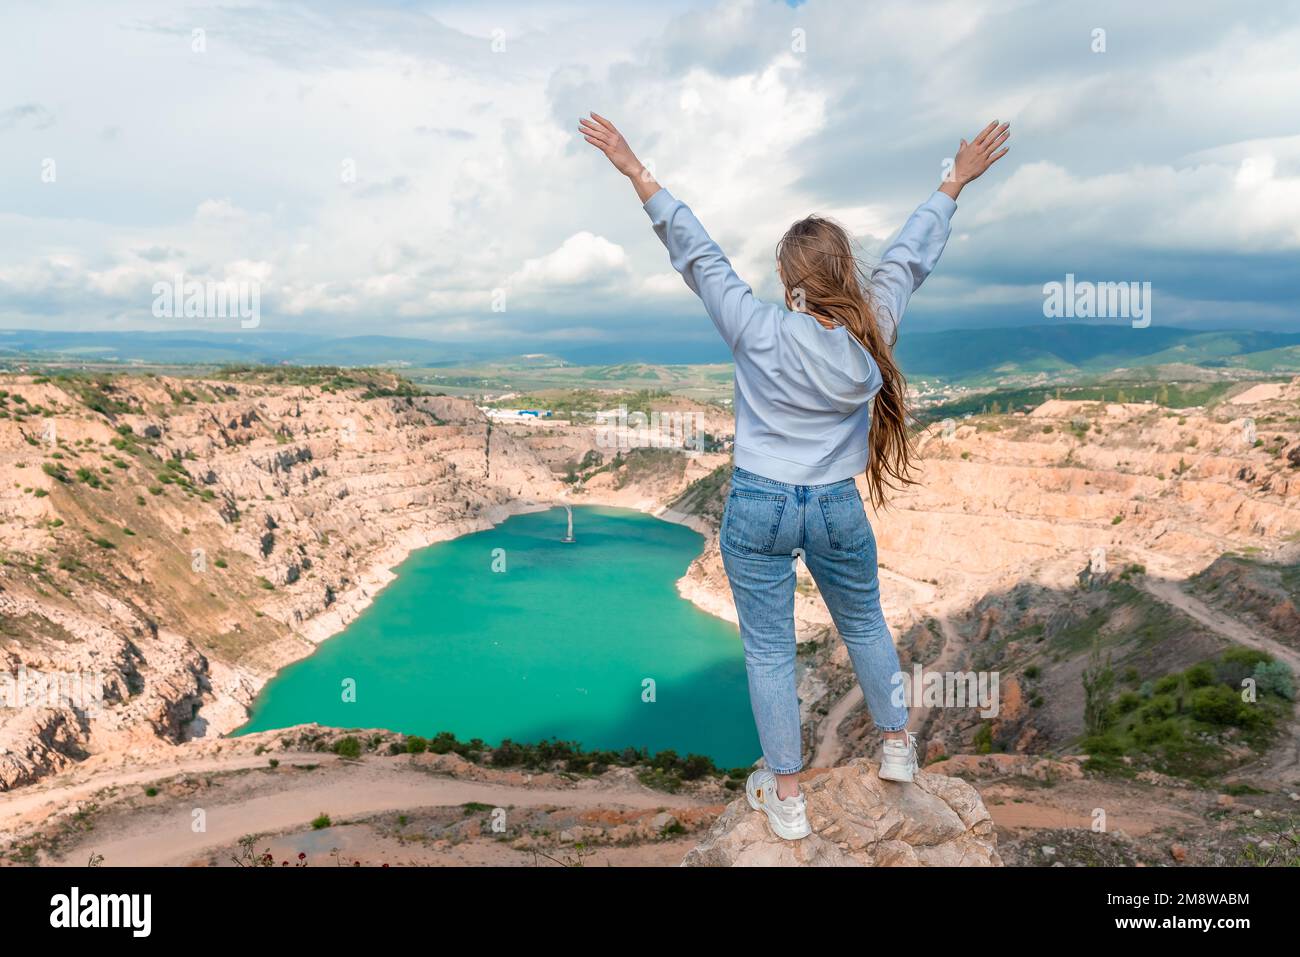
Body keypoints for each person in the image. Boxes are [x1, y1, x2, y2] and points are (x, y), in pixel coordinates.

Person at [581, 113, 1009, 840]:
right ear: (843, 271)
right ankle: (898, 745)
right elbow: (910, 257)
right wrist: (954, 180)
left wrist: (636, 171)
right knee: (866, 621)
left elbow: (696, 253)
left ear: (788, 280)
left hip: (759, 504)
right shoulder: (874, 327)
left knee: (771, 651)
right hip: (835, 504)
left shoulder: (755, 326)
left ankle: (786, 794)